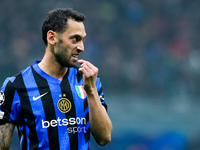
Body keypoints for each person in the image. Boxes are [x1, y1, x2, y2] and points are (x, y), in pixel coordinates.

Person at [0, 8, 112, 150]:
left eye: (83, 40)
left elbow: (104, 138)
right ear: (52, 38)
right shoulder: (15, 86)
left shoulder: (88, 81)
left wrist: (91, 91)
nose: (81, 47)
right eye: (75, 39)